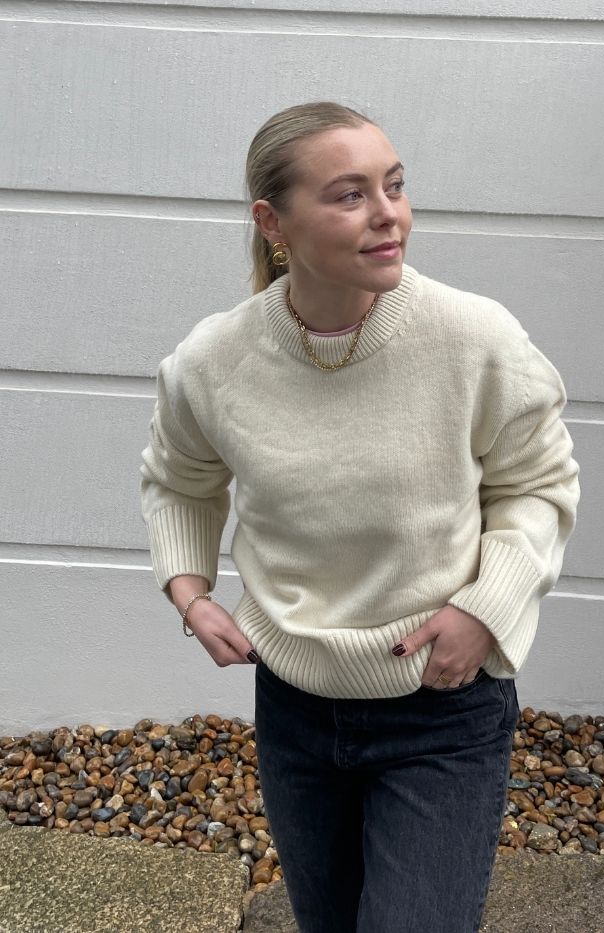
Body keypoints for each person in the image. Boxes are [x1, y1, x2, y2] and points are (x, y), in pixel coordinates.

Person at [140, 101, 580, 933]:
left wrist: (484, 610)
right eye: (350, 195)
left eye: (396, 185)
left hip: (441, 704)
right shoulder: (214, 360)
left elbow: (539, 482)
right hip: (297, 706)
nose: (389, 215)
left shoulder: (473, 337)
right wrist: (191, 593)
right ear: (274, 222)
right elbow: (178, 478)